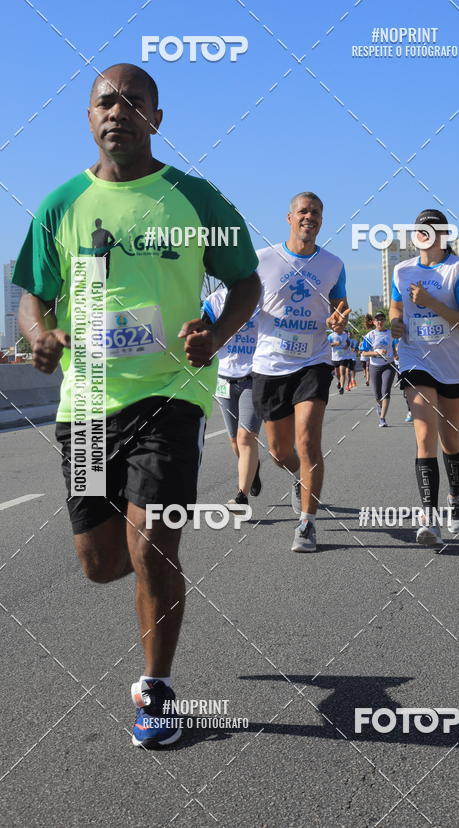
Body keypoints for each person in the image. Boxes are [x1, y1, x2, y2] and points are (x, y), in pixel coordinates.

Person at [13, 64, 261, 748]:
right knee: (100, 563)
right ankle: (141, 554)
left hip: (170, 394)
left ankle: (157, 689)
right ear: (88, 116)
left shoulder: (195, 198)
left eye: (133, 101)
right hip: (89, 402)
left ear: (157, 117)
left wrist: (217, 334)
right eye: (105, 101)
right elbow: (33, 297)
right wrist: (39, 336)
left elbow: (245, 282)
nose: (117, 111)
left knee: (153, 541)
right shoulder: (61, 205)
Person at [252, 192, 349, 553]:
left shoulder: (333, 264)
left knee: (307, 442)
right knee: (279, 452)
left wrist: (338, 319)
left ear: (322, 220)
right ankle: (298, 475)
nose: (310, 217)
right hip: (270, 364)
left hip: (314, 361)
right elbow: (244, 302)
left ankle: (307, 524)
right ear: (289, 218)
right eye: (304, 211)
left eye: (317, 212)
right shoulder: (262, 260)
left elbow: (340, 305)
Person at [389, 209, 459, 545]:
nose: (426, 234)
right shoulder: (402, 270)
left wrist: (431, 302)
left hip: (453, 364)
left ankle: (455, 499)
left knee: (449, 437)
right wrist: (395, 323)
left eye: (434, 229)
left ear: (444, 235)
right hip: (416, 359)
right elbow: (396, 308)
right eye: (421, 229)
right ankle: (429, 518)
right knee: (424, 434)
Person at [202, 286, 262, 506]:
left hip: (254, 377)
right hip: (224, 380)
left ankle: (241, 497)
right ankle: (253, 467)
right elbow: (204, 333)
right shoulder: (214, 301)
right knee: (235, 441)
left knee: (246, 438)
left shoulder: (262, 297)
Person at [362, 311, 395, 428]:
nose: (380, 321)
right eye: (377, 319)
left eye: (382, 319)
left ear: (385, 321)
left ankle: (382, 418)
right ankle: (379, 406)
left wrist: (396, 354)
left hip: (389, 365)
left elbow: (396, 346)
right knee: (377, 394)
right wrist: (377, 353)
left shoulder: (391, 334)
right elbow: (364, 352)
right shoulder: (370, 335)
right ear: (374, 322)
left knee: (386, 391)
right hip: (374, 366)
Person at [329, 324, 350, 394]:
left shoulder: (345, 335)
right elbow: (326, 345)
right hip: (335, 357)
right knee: (337, 373)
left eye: (341, 326)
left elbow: (348, 342)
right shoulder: (331, 336)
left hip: (344, 356)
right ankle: (339, 381)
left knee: (342, 372)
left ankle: (342, 387)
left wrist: (347, 346)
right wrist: (334, 344)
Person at [360, 314, 374, 385]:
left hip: (375, 353)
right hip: (368, 353)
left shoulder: (374, 330)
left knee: (369, 368)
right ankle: (368, 379)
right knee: (367, 367)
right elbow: (363, 347)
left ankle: (369, 379)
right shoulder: (365, 332)